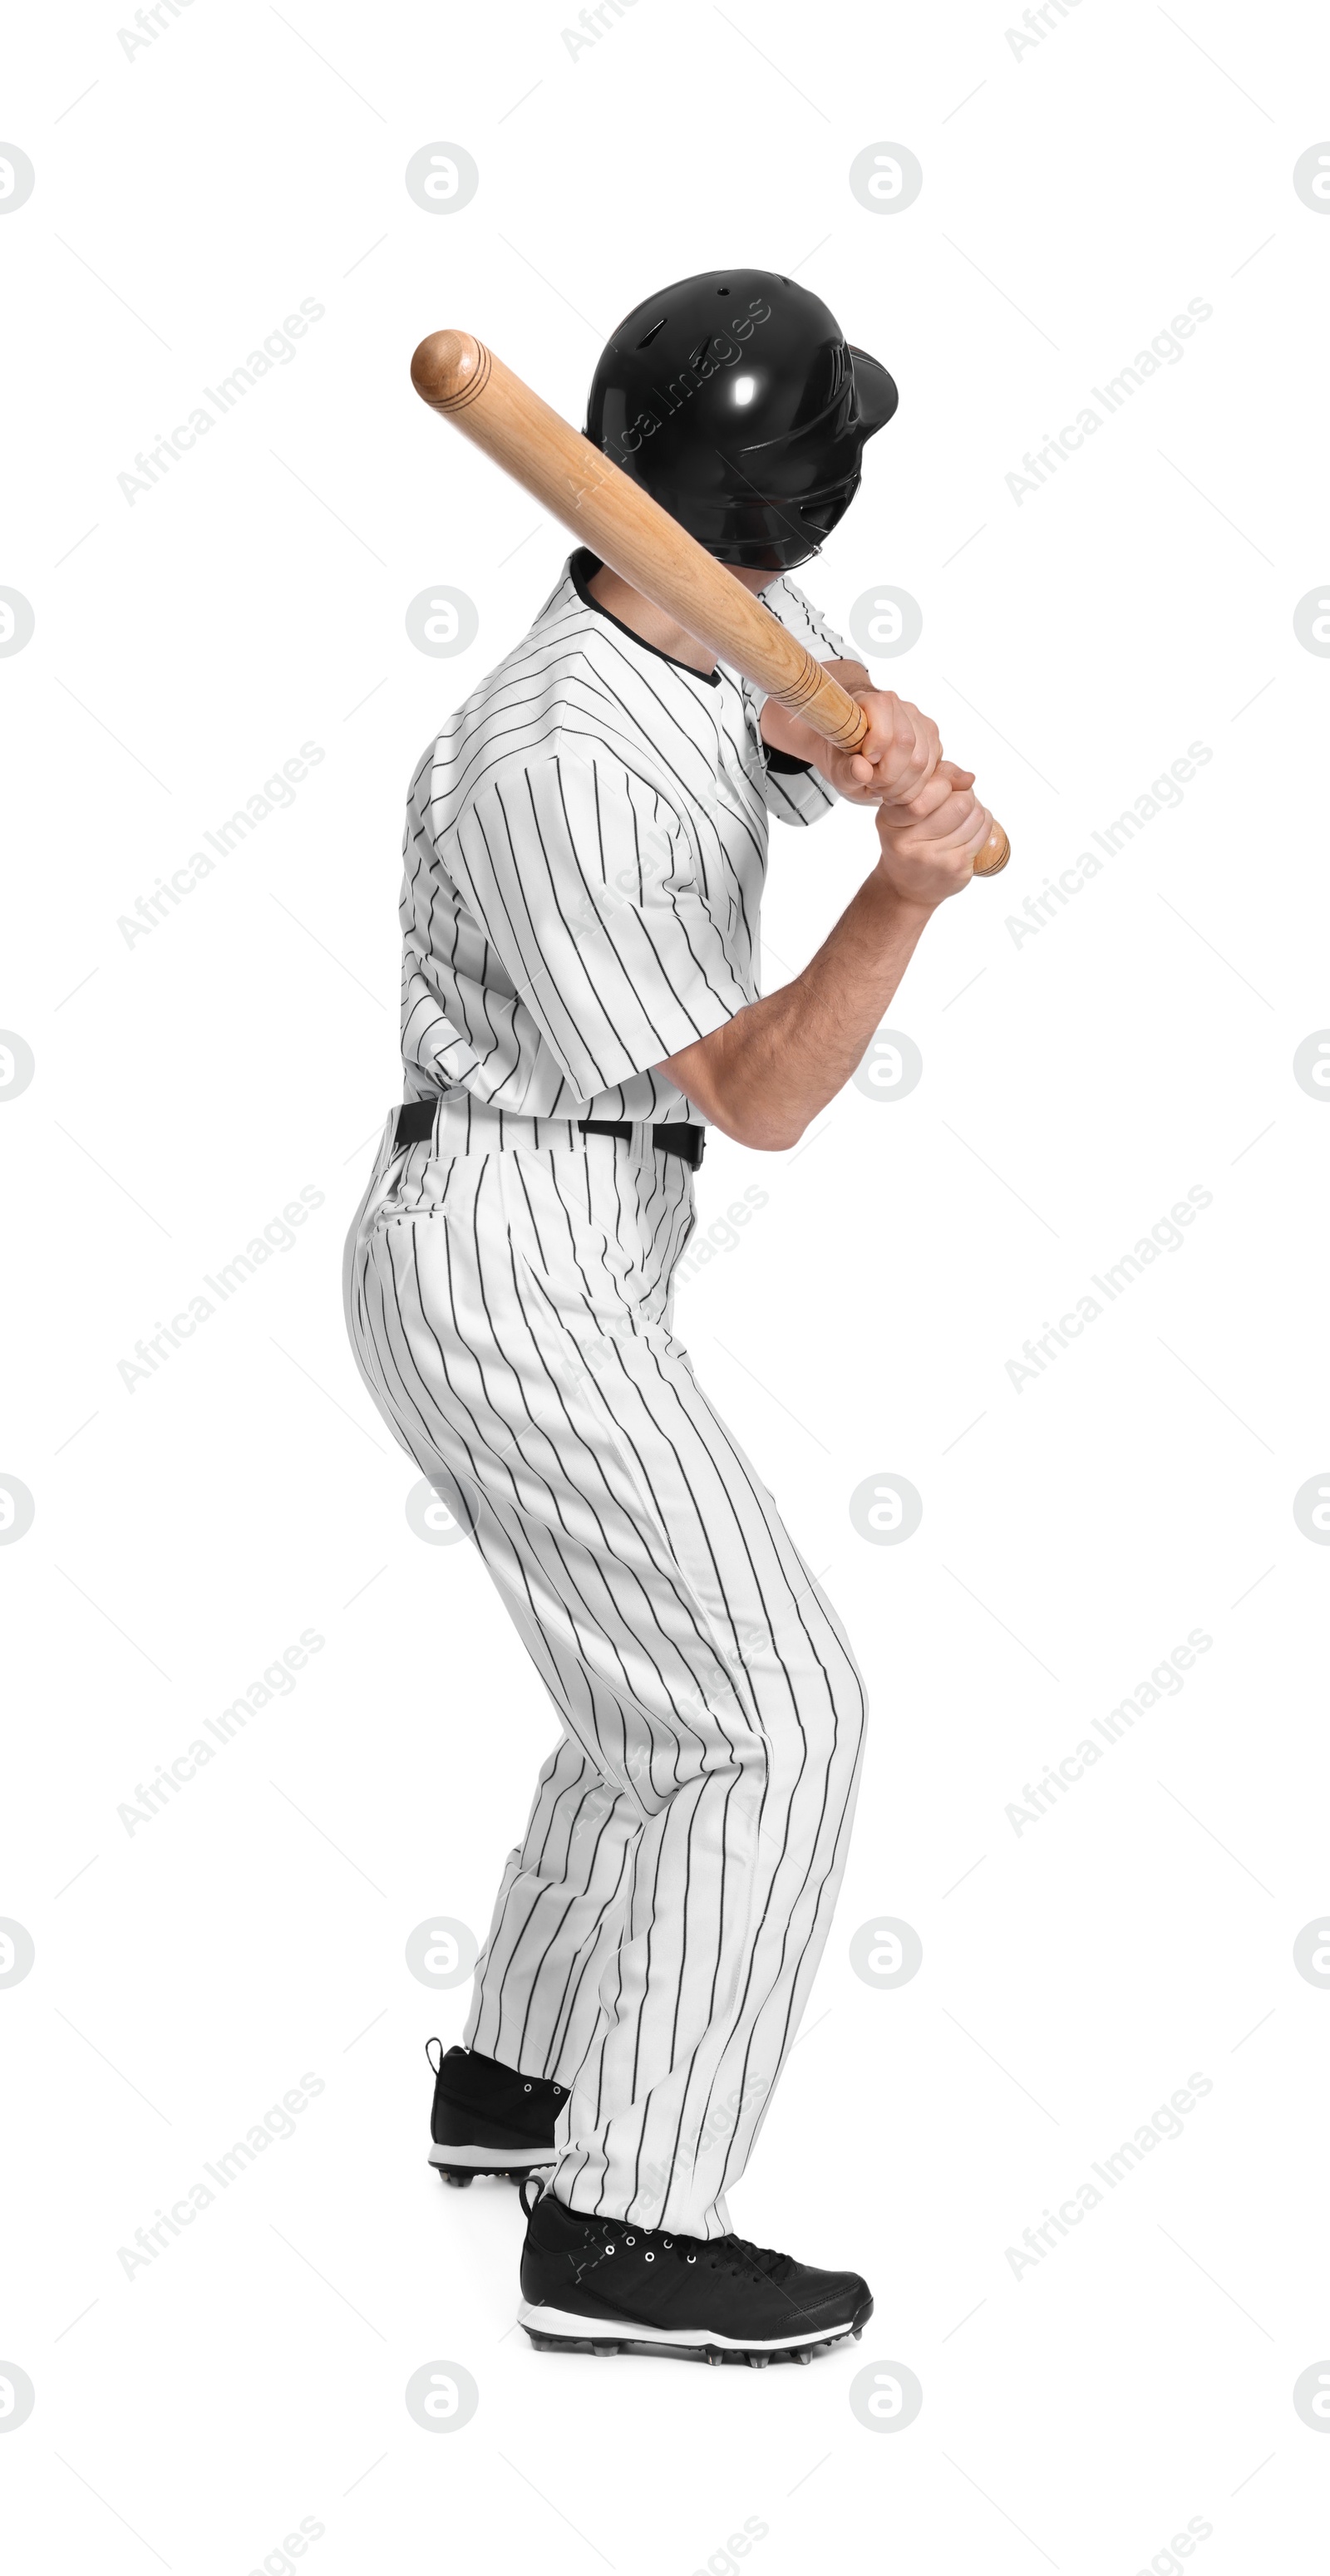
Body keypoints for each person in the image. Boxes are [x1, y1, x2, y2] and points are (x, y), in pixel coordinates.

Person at [344, 268, 993, 2367]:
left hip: (545, 1231)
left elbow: (763, 712)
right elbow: (767, 1093)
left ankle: (516, 2085)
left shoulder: (667, 626)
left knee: (655, 1704)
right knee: (778, 1714)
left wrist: (850, 725)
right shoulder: (564, 754)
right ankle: (625, 2217)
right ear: (775, 496)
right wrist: (903, 887)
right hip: (512, 1249)